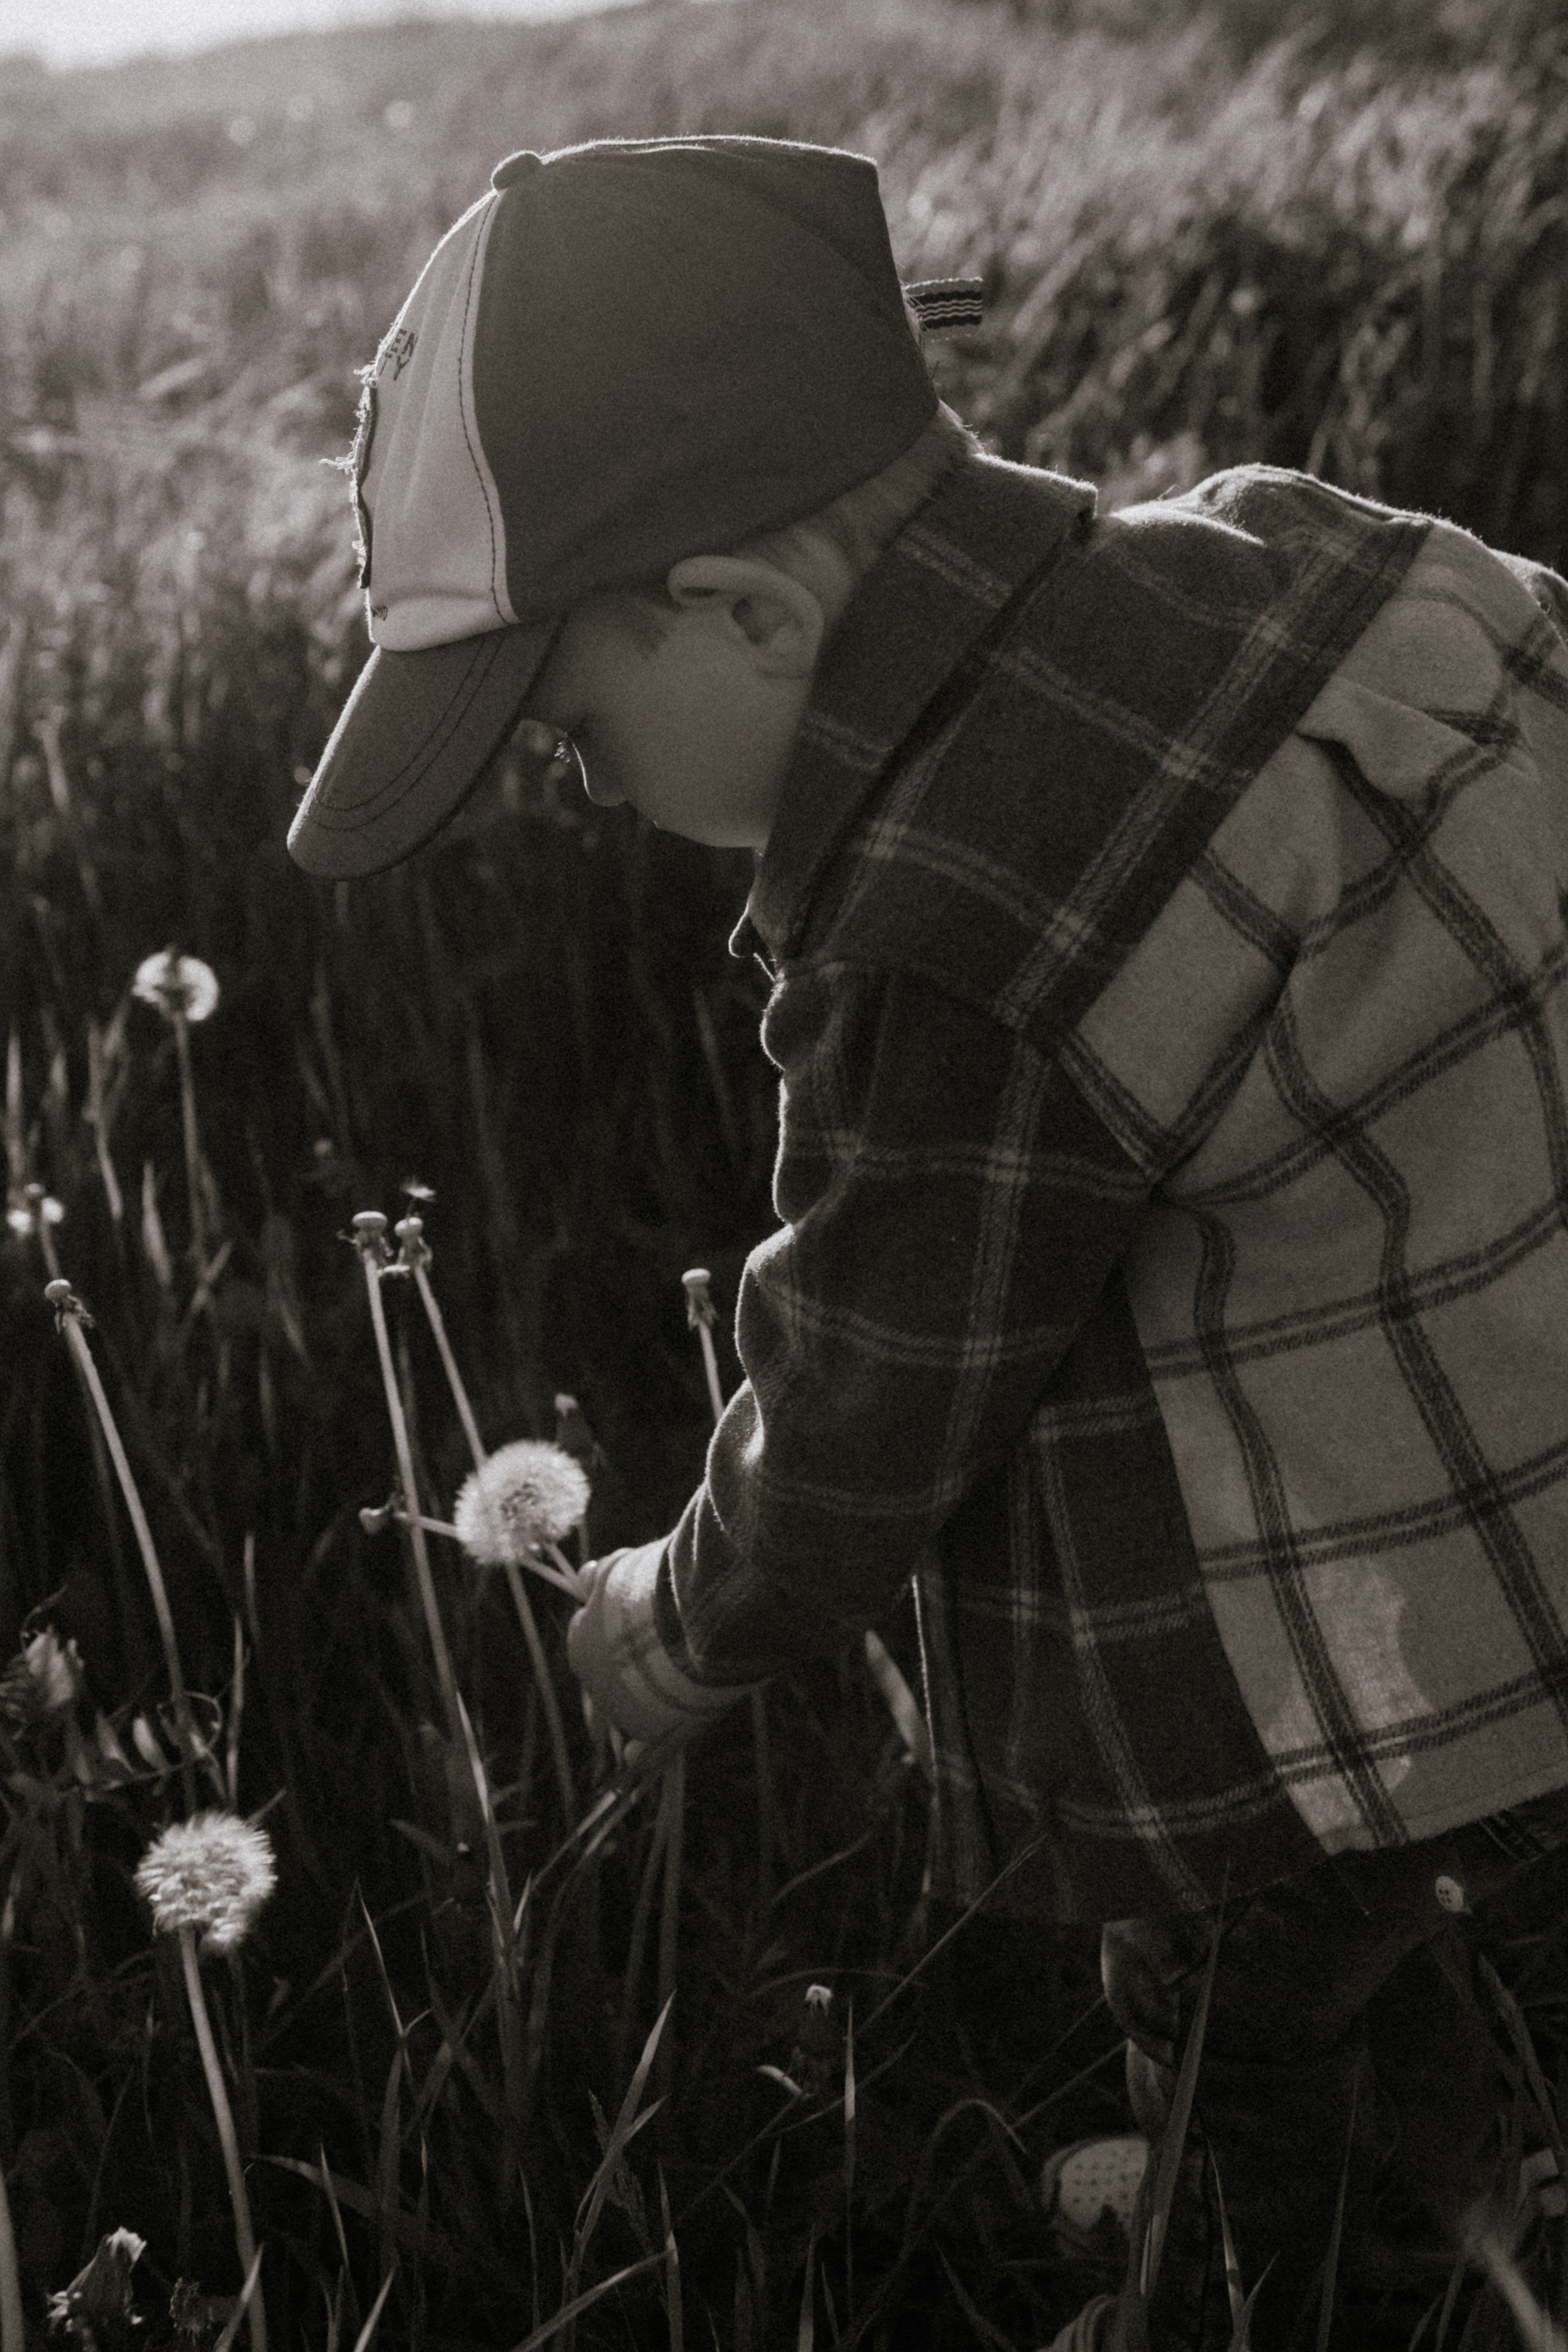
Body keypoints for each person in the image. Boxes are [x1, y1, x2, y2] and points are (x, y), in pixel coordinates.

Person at [285, 132, 1568, 2350]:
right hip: (1526, 1437)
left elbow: (876, 1398)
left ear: (754, 616)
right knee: (1378, 1939)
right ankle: (1445, 2181)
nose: (583, 792)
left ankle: (1296, 2278)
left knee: (1246, 1976)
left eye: (571, 731)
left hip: (1404, 1629)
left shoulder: (957, 928)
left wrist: (682, 1622)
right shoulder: (1295, 557)